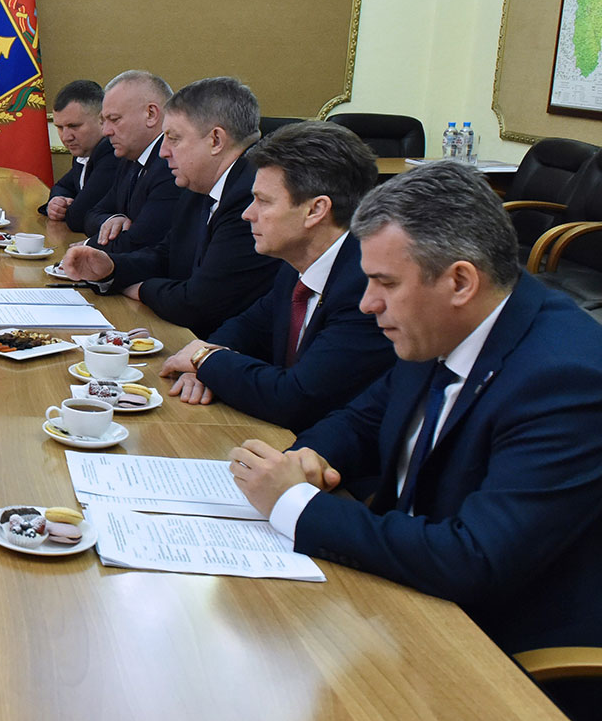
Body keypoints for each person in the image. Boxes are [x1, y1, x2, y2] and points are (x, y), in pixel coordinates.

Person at [229, 163, 602, 671]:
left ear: (460, 282)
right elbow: (362, 420)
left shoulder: (565, 379)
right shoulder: (442, 324)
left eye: (384, 283)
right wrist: (308, 457)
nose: (367, 304)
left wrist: (295, 503)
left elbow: (474, 559)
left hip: (493, 649)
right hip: (401, 595)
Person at [160, 121, 395, 429]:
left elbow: (295, 398)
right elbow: (248, 327)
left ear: (315, 210)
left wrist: (205, 360)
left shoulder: (365, 285)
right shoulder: (296, 263)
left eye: (264, 201)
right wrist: (204, 364)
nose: (248, 214)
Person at [55, 76, 281, 336]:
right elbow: (166, 254)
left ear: (216, 140)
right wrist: (111, 268)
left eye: (173, 138)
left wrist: (140, 289)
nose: (163, 152)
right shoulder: (200, 184)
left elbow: (199, 303)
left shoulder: (250, 197)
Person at [83, 70, 179, 253]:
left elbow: (139, 242)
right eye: (104, 121)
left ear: (151, 114)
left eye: (114, 119)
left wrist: (87, 245)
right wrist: (112, 220)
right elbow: (91, 214)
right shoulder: (130, 159)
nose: (106, 131)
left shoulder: (170, 166)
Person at [38, 78, 118, 232]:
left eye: (74, 126)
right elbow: (62, 186)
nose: (66, 137)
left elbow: (78, 216)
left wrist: (68, 209)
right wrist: (56, 202)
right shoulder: (84, 151)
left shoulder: (112, 154)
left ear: (102, 120)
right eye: (60, 127)